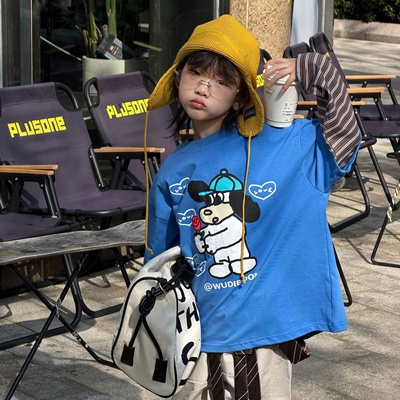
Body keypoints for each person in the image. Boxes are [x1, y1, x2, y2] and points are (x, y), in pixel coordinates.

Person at [144, 14, 361, 400]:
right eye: (196, 72)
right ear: (177, 77)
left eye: (222, 80)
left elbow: (345, 135)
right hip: (194, 335)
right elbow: (159, 260)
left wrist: (312, 67)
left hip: (258, 340)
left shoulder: (289, 145)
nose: (204, 86)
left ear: (241, 95)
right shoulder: (173, 169)